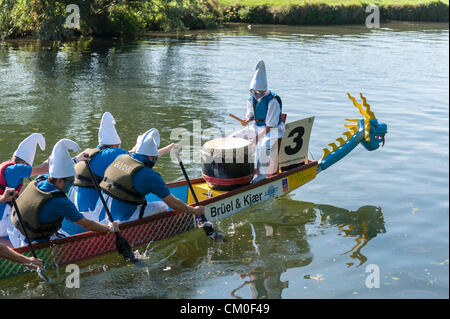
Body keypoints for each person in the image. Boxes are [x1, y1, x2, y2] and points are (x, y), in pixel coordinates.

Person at [7, 139, 119, 248]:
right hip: (37, 244)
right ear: (60, 180)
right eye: (70, 181)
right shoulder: (60, 201)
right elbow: (87, 224)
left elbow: (58, 169)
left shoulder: (40, 179)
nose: (72, 184)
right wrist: (110, 228)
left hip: (16, 231)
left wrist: (76, 160)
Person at [94, 128, 204, 223]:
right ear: (151, 158)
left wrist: (168, 148)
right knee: (162, 206)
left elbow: (144, 157)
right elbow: (173, 203)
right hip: (123, 220)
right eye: (155, 158)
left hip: (101, 215)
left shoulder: (122, 157)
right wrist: (194, 211)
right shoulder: (150, 176)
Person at [62, 112, 129, 235]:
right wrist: (167, 149)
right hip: (91, 220)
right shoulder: (112, 152)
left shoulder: (89, 152)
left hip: (74, 217)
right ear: (115, 145)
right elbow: (139, 158)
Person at [230, 60, 286, 182]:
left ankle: (261, 176)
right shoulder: (251, 98)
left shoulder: (272, 101)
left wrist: (256, 138)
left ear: (264, 91)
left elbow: (270, 126)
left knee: (262, 146)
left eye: (258, 93)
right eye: (253, 92)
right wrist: (247, 120)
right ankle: (238, 172)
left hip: (273, 129)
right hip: (257, 126)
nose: (255, 95)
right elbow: (251, 115)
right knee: (233, 138)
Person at [0, 133, 48, 243]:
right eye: (28, 166)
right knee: (32, 220)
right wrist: (57, 154)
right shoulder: (18, 168)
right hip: (1, 223)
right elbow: (46, 168)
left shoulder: (4, 167)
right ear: (24, 163)